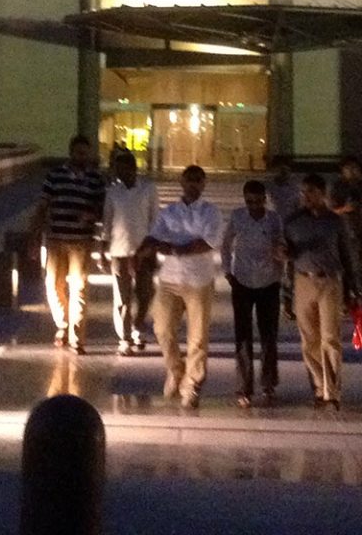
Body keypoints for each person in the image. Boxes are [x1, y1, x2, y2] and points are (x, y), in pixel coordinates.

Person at [142, 163, 223, 407]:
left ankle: (192, 385)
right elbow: (155, 236)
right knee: (162, 328)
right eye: (189, 180)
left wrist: (176, 247)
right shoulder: (170, 212)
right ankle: (175, 369)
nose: (193, 185)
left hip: (199, 281)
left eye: (198, 180)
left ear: (204, 184)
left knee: (197, 337)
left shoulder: (210, 213)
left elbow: (207, 243)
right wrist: (143, 249)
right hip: (169, 279)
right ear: (182, 183)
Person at [34, 134, 106, 353]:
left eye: (85, 153)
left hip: (81, 241)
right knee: (53, 285)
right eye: (78, 152)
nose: (81, 156)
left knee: (79, 287)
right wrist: (34, 235)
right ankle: (63, 323)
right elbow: (43, 204)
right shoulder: (55, 175)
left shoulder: (95, 179)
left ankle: (77, 338)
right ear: (71, 152)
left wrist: (92, 216)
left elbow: (102, 209)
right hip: (56, 238)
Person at [282, 172, 347, 406]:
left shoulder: (335, 221)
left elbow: (347, 255)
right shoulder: (293, 221)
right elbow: (286, 253)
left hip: (329, 281)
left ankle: (333, 391)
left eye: (311, 192)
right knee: (309, 339)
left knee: (330, 338)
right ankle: (320, 386)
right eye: (303, 192)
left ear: (322, 194)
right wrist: (287, 295)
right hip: (303, 281)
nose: (306, 196)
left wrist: (354, 290)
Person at [220, 178, 286, 407]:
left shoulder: (274, 219)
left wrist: (280, 267)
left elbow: (282, 244)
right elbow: (225, 244)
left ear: (265, 200)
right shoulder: (238, 217)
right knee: (243, 337)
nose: (254, 206)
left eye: (258, 201)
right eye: (250, 201)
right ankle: (244, 388)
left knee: (269, 336)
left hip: (269, 282)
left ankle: (268, 384)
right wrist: (228, 271)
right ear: (245, 200)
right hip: (243, 282)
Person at [102, 148, 158, 354]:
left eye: (125, 169)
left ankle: (138, 326)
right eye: (118, 170)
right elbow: (107, 221)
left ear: (134, 168)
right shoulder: (112, 192)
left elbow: (155, 218)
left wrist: (152, 245)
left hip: (144, 249)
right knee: (122, 297)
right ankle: (124, 338)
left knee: (145, 293)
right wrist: (102, 248)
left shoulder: (148, 189)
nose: (121, 173)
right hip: (119, 251)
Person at [330, 155, 362, 314]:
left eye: (355, 168)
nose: (353, 171)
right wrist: (345, 208)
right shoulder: (338, 187)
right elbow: (332, 210)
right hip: (342, 233)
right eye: (349, 168)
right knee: (345, 269)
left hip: (361, 233)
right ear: (342, 171)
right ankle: (345, 301)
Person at [266, 155, 300, 312]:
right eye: (280, 168)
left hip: (291, 231)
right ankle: (272, 296)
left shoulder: (295, 188)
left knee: (291, 267)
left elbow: (298, 208)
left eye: (286, 169)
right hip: (271, 231)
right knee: (273, 265)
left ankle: (288, 299)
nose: (283, 172)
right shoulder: (268, 187)